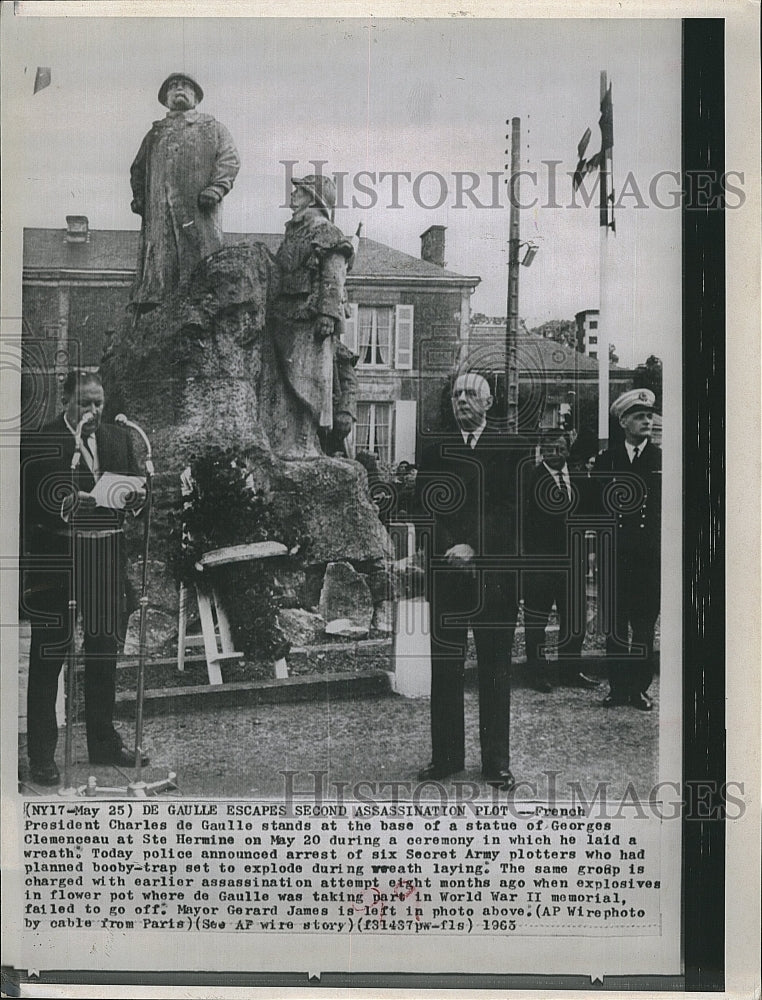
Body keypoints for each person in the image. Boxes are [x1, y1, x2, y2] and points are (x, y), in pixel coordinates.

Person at [21, 372, 147, 785]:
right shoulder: (42, 440)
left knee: (102, 655)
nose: (94, 412)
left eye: (99, 404)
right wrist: (66, 501)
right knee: (48, 657)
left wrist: (136, 499)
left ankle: (103, 742)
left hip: (104, 560)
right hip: (58, 562)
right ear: (67, 400)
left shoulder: (116, 439)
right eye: (86, 404)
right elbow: (28, 505)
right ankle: (41, 754)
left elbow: (132, 494)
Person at [415, 371, 526, 789]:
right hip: (448, 577)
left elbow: (513, 510)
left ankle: (496, 762)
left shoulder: (511, 448)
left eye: (471, 394)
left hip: (493, 576)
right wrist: (449, 548)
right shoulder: (434, 447)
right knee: (445, 668)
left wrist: (473, 548)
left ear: (489, 401)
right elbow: (425, 508)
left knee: (495, 669)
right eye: (457, 393)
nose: (462, 399)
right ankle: (446, 756)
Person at [129, 73, 240, 309]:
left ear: (196, 97)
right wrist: (140, 198)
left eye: (185, 86)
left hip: (198, 212)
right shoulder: (154, 134)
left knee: (200, 269)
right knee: (161, 269)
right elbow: (138, 169)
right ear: (166, 98)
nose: (179, 89)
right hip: (160, 216)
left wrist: (217, 187)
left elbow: (229, 159)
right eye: (173, 87)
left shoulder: (213, 128)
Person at [267, 174, 354, 457]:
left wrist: (327, 315)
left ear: (313, 198)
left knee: (310, 382)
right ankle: (287, 440)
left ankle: (304, 443)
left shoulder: (326, 231)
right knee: (287, 382)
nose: (293, 196)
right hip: (285, 317)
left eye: (300, 191)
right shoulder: (293, 233)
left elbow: (334, 274)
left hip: (310, 319)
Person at [595, 388, 662, 711]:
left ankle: (639, 689)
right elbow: (595, 507)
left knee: (644, 627)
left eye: (649, 415)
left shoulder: (662, 460)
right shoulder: (607, 461)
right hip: (616, 557)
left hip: (649, 559)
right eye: (639, 416)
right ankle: (618, 687)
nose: (647, 421)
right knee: (616, 627)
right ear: (623, 421)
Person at [520, 430, 599, 693]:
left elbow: (588, 514)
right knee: (536, 622)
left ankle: (570, 671)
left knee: (574, 620)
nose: (556, 454)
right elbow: (521, 521)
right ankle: (537, 674)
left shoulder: (578, 477)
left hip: (573, 563)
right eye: (550, 448)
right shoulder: (530, 478)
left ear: (567, 450)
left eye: (561, 448)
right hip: (540, 564)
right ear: (542, 450)